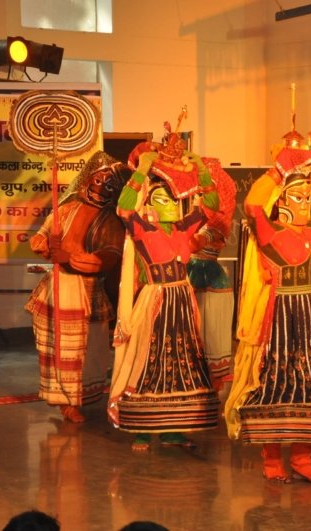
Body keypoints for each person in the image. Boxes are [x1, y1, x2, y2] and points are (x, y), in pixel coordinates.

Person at [224, 145, 311, 486]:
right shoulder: (269, 232)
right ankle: (271, 459)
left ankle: (302, 458)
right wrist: (277, 172)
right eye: (297, 197)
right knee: (276, 384)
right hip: (281, 318)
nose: (305, 204)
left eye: (308, 197)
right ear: (281, 201)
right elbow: (252, 205)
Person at [108, 124, 222, 451]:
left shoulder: (184, 229)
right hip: (156, 302)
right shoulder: (143, 229)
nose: (170, 203)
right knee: (150, 360)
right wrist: (142, 170)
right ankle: (143, 429)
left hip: (182, 301)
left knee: (183, 361)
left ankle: (174, 429)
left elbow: (211, 207)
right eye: (161, 199)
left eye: (173, 198)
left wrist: (201, 169)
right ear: (151, 204)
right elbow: (124, 208)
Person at [26, 151, 130, 423]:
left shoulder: (111, 220)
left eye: (109, 183)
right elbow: (41, 235)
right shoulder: (66, 209)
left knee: (89, 351)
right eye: (98, 180)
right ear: (87, 180)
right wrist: (44, 243)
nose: (101, 187)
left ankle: (81, 397)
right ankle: (65, 402)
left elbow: (109, 257)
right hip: (57, 289)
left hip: (88, 291)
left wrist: (70, 258)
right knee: (59, 349)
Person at [186, 158, 237, 388]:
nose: (195, 197)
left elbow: (192, 245)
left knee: (208, 332)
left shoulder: (217, 222)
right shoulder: (199, 218)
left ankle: (210, 381)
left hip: (208, 277)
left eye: (201, 193)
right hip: (194, 273)